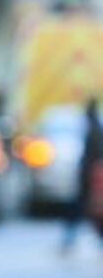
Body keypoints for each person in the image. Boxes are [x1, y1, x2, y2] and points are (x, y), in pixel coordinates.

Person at [61, 97, 103, 253]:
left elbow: (94, 157)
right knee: (89, 211)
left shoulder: (94, 130)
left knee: (82, 209)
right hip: (89, 177)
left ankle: (68, 240)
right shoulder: (95, 128)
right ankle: (68, 239)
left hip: (89, 178)